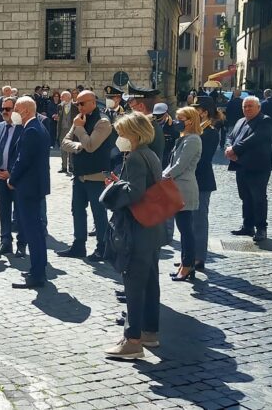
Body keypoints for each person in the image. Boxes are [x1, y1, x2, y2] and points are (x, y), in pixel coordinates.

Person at [100, 112, 165, 359]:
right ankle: (149, 332)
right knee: (150, 281)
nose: (119, 138)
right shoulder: (150, 155)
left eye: (122, 134)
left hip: (138, 230)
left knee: (134, 284)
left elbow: (135, 192)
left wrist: (114, 189)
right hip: (152, 229)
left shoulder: (136, 157)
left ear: (134, 134)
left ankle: (132, 340)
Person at [58, 90, 113, 261]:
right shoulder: (78, 120)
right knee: (77, 210)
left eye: (81, 104)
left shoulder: (103, 122)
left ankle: (102, 248)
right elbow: (64, 142)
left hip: (96, 176)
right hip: (80, 175)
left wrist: (80, 130)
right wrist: (78, 146)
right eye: (77, 104)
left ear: (93, 103)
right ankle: (78, 244)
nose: (78, 107)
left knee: (99, 214)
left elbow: (91, 145)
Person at [9, 96, 51, 289]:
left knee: (33, 232)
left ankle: (37, 274)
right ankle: (37, 268)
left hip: (28, 188)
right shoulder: (36, 127)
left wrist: (12, 178)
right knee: (36, 231)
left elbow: (23, 160)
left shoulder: (32, 129)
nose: (13, 112)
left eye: (16, 108)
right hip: (33, 187)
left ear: (25, 110)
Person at [225, 96, 272, 242]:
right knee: (245, 196)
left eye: (250, 106)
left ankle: (261, 228)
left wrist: (235, 149)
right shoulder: (240, 121)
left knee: (258, 198)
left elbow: (255, 138)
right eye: (245, 106)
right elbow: (230, 136)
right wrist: (228, 148)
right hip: (240, 165)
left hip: (258, 166)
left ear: (258, 107)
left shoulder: (264, 120)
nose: (247, 109)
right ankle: (247, 225)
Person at [163, 107, 203, 282]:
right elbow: (172, 162)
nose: (177, 121)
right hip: (177, 188)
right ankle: (185, 263)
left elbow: (180, 165)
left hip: (184, 189)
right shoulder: (184, 138)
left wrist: (163, 176)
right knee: (183, 228)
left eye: (181, 119)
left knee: (186, 230)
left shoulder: (193, 140)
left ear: (190, 120)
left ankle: (188, 266)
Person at [0, 97, 25, 256]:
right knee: (3, 210)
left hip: (16, 178)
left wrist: (11, 172)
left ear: (16, 110)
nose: (4, 112)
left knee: (20, 212)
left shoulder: (23, 128)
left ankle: (22, 244)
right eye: (2, 109)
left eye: (8, 109)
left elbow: (23, 155)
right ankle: (5, 241)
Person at [190, 95, 219, 271]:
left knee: (199, 221)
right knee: (189, 221)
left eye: (196, 109)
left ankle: (199, 257)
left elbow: (203, 158)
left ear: (204, 112)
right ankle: (189, 256)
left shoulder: (210, 132)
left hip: (201, 181)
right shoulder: (195, 130)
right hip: (190, 180)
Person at [126, 83, 165, 162]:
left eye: (131, 104)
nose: (130, 109)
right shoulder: (150, 124)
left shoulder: (145, 129)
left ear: (141, 106)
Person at [54, 90, 77, 173]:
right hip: (62, 130)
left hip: (72, 130)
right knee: (63, 149)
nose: (61, 98)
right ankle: (64, 167)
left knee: (71, 148)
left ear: (68, 97)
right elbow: (60, 117)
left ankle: (71, 166)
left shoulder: (75, 106)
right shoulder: (60, 106)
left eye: (62, 97)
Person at [152, 103, 179, 169]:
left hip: (167, 160)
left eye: (160, 116)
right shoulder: (151, 125)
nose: (158, 119)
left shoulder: (174, 127)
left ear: (166, 114)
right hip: (153, 159)